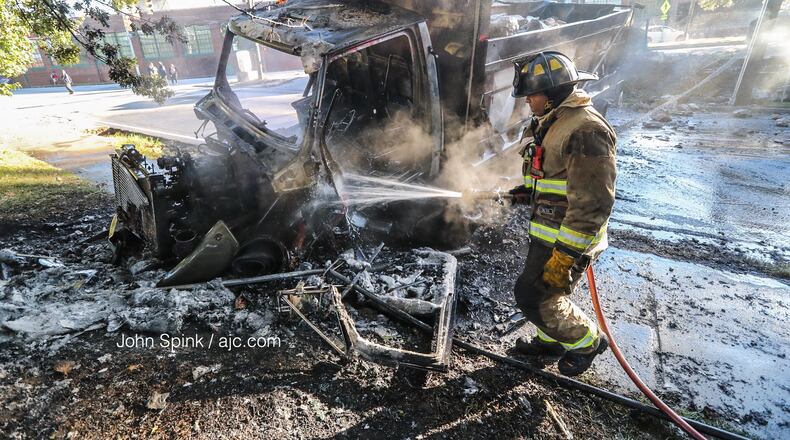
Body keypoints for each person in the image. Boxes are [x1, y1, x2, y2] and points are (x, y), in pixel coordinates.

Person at [508, 51, 617, 376]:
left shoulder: (585, 130)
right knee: (546, 293)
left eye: (533, 93)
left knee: (532, 295)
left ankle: (586, 341)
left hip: (567, 240)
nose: (527, 99)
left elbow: (593, 202)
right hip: (548, 231)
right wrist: (525, 192)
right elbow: (554, 176)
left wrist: (565, 257)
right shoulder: (553, 122)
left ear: (554, 92)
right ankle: (551, 340)